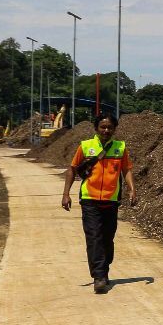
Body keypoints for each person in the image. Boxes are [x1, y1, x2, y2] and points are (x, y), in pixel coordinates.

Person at [62, 113, 136, 294]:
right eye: (102, 127)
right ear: (96, 128)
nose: (106, 130)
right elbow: (72, 169)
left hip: (111, 201)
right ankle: (99, 276)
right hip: (90, 200)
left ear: (114, 129)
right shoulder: (86, 146)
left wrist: (132, 189)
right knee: (94, 238)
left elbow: (126, 169)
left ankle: (103, 268)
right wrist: (66, 194)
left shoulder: (120, 148)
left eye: (109, 127)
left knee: (107, 239)